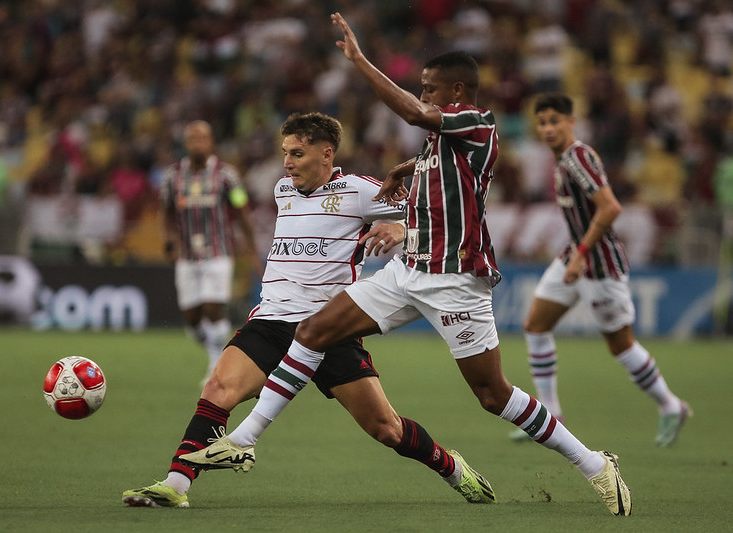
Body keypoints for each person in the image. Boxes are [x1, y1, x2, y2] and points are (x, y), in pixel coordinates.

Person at [181, 13, 632, 517]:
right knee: (312, 331)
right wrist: (403, 206)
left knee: (491, 393)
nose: (424, 95)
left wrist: (360, 62)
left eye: (430, 88)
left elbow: (420, 118)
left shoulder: (478, 124)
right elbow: (434, 185)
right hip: (406, 272)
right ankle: (243, 439)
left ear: (456, 89)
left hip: (457, 281)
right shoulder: (439, 141)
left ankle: (593, 463)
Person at [122, 112, 496, 508]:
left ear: (326, 153)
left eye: (297, 153)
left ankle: (451, 467)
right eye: (285, 153)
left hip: (329, 327)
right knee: (218, 388)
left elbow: (435, 215)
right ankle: (175, 486)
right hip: (272, 319)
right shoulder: (283, 189)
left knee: (386, 428)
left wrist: (401, 229)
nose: (287, 162)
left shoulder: (360, 191)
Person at [508, 93, 691, 447]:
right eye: (542, 122)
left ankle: (671, 405)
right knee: (535, 324)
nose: (547, 128)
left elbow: (610, 208)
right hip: (572, 256)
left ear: (571, 122)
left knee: (621, 345)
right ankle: (551, 414)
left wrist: (580, 253)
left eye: (554, 121)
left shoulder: (578, 157)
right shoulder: (563, 160)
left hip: (599, 264)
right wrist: (573, 254)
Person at [160, 121, 259, 386]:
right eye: (193, 139)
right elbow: (167, 212)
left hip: (218, 252)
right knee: (192, 319)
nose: (198, 144)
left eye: (202, 138)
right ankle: (215, 350)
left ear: (211, 142)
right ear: (186, 143)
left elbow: (240, 209)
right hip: (187, 256)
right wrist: (169, 239)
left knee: (213, 307)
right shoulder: (172, 177)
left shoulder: (227, 175)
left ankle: (218, 361)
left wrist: (251, 247)